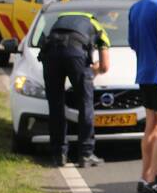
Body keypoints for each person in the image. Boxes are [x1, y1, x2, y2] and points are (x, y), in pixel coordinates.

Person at [40, 11, 110, 167]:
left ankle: (59, 155)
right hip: (76, 55)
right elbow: (105, 66)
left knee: (56, 105)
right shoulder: (97, 26)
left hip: (51, 55)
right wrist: (93, 70)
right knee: (85, 104)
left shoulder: (57, 23)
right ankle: (86, 154)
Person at [128, 0, 157, 193]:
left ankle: (144, 176)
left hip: (143, 72)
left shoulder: (136, 7)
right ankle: (153, 178)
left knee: (151, 123)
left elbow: (133, 42)